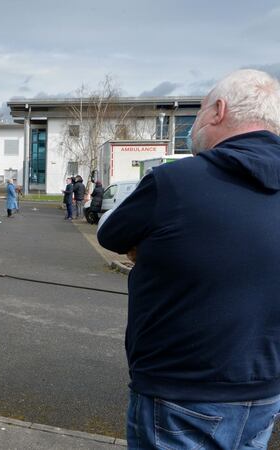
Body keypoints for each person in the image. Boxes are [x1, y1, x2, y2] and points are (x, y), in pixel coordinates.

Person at [97, 69, 280, 449]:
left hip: (180, 393)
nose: (192, 126)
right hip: (266, 390)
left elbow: (111, 234)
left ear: (218, 110)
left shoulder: (176, 182)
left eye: (196, 112)